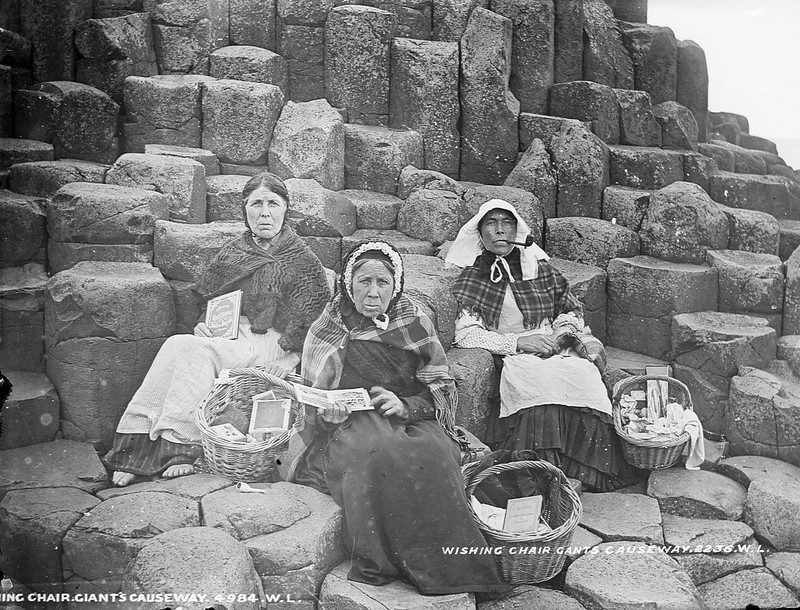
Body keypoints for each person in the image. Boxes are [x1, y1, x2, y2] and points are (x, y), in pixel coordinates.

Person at [283, 241, 508, 596]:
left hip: (410, 415)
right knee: (377, 451)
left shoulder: (414, 320)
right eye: (364, 282)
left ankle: (454, 568)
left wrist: (407, 406)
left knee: (435, 454)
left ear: (395, 285)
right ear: (347, 283)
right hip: (350, 424)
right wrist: (328, 413)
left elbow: (441, 385)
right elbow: (312, 402)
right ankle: (388, 561)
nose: (373, 292)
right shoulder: (328, 325)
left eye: (382, 283)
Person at [103, 171, 331, 486]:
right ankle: (132, 449)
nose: (264, 212)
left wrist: (290, 358)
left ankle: (183, 448)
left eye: (273, 204)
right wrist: (203, 325)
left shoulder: (302, 259)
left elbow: (320, 320)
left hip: (272, 341)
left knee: (195, 353)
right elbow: (210, 298)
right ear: (245, 210)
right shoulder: (235, 250)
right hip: (231, 334)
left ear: (285, 208)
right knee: (178, 344)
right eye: (256, 204)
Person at [445, 199, 636, 492]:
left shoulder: (539, 268)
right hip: (517, 352)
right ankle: (543, 473)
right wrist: (519, 341)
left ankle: (581, 469)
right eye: (491, 224)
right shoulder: (475, 275)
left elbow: (569, 310)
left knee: (583, 376)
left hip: (555, 345)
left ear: (517, 229)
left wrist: (561, 334)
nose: (499, 231)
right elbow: (466, 334)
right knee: (535, 382)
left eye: (506, 223)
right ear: (480, 233)